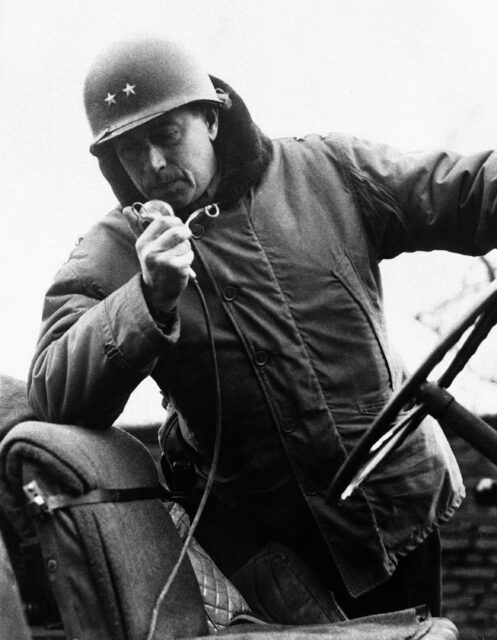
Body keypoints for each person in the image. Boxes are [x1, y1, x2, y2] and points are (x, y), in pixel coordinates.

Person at [27, 35, 497, 619]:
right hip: (268, 551)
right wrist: (147, 299)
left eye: (167, 136)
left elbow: (464, 191)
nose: (153, 165)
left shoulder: (327, 171)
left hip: (396, 509)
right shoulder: (112, 255)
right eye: (129, 149)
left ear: (211, 119)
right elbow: (51, 394)